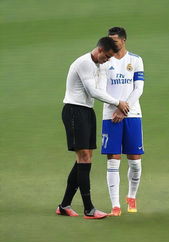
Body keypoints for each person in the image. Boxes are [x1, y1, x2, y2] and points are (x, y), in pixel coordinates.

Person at [56, 37, 129, 219]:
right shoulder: (84, 63)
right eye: (107, 56)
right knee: (84, 157)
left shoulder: (100, 64)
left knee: (85, 158)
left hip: (87, 112)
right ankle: (89, 209)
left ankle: (64, 205)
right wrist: (117, 102)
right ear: (100, 50)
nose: (109, 60)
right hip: (74, 111)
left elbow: (102, 88)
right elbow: (93, 92)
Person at [100, 27, 145, 216]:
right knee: (113, 162)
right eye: (109, 42)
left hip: (132, 115)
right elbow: (101, 90)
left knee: (134, 162)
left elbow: (139, 89)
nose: (111, 45)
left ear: (124, 41)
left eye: (115, 42)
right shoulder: (104, 62)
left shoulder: (135, 60)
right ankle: (116, 205)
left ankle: (131, 196)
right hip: (110, 116)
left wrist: (124, 110)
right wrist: (117, 107)